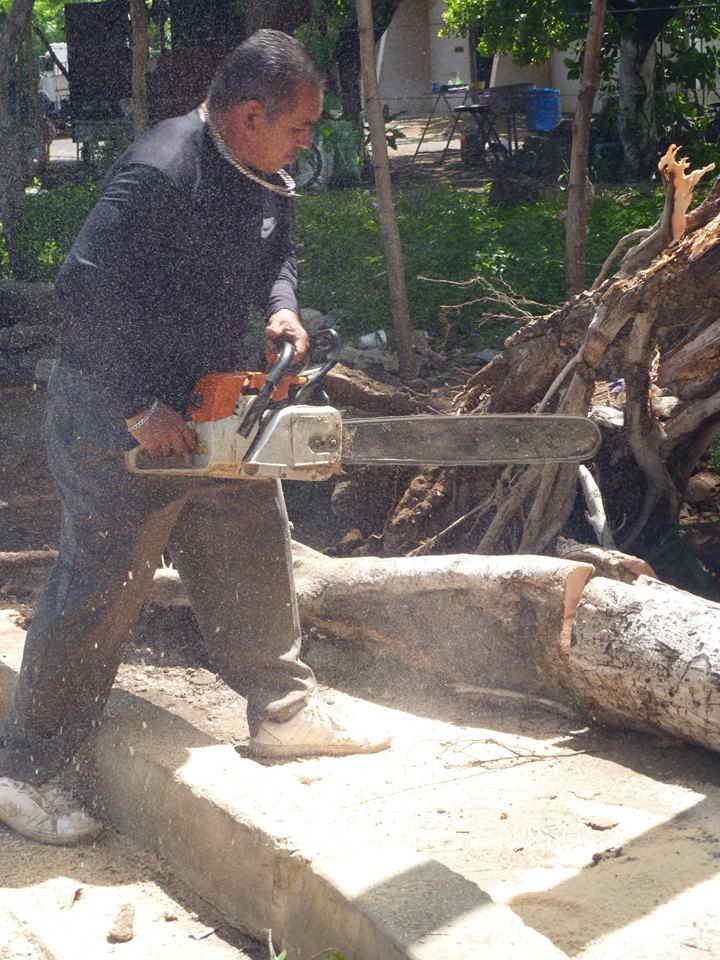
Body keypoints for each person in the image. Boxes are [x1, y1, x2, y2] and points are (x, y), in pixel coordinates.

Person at [0, 29, 390, 847]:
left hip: (210, 400)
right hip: (114, 406)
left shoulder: (263, 170)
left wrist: (282, 304)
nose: (307, 142)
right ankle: (25, 772)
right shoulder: (164, 170)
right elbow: (79, 292)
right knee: (104, 580)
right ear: (250, 114)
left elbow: (277, 246)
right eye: (299, 127)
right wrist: (140, 404)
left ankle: (283, 710)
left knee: (252, 534)